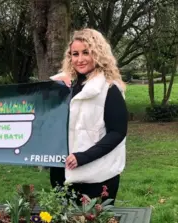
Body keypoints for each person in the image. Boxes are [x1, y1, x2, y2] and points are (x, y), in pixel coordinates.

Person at [49, 28, 128, 205]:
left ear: (98, 53)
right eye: (75, 54)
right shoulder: (64, 88)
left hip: (97, 175)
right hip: (61, 173)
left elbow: (117, 132)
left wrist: (83, 157)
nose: (80, 59)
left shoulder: (110, 89)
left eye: (86, 52)